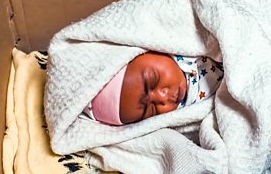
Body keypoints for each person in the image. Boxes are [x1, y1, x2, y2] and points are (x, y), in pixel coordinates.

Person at [83, 51, 224, 125]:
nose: (163, 98)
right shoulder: (185, 113)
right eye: (151, 110)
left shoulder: (184, 43)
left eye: (153, 80)